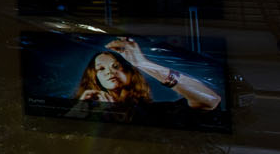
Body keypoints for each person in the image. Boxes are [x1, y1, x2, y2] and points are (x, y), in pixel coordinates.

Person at [69, 37, 222, 121]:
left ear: (130, 72)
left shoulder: (156, 113)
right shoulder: (83, 112)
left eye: (116, 66)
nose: (109, 72)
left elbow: (210, 101)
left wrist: (142, 63)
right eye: (101, 69)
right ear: (94, 77)